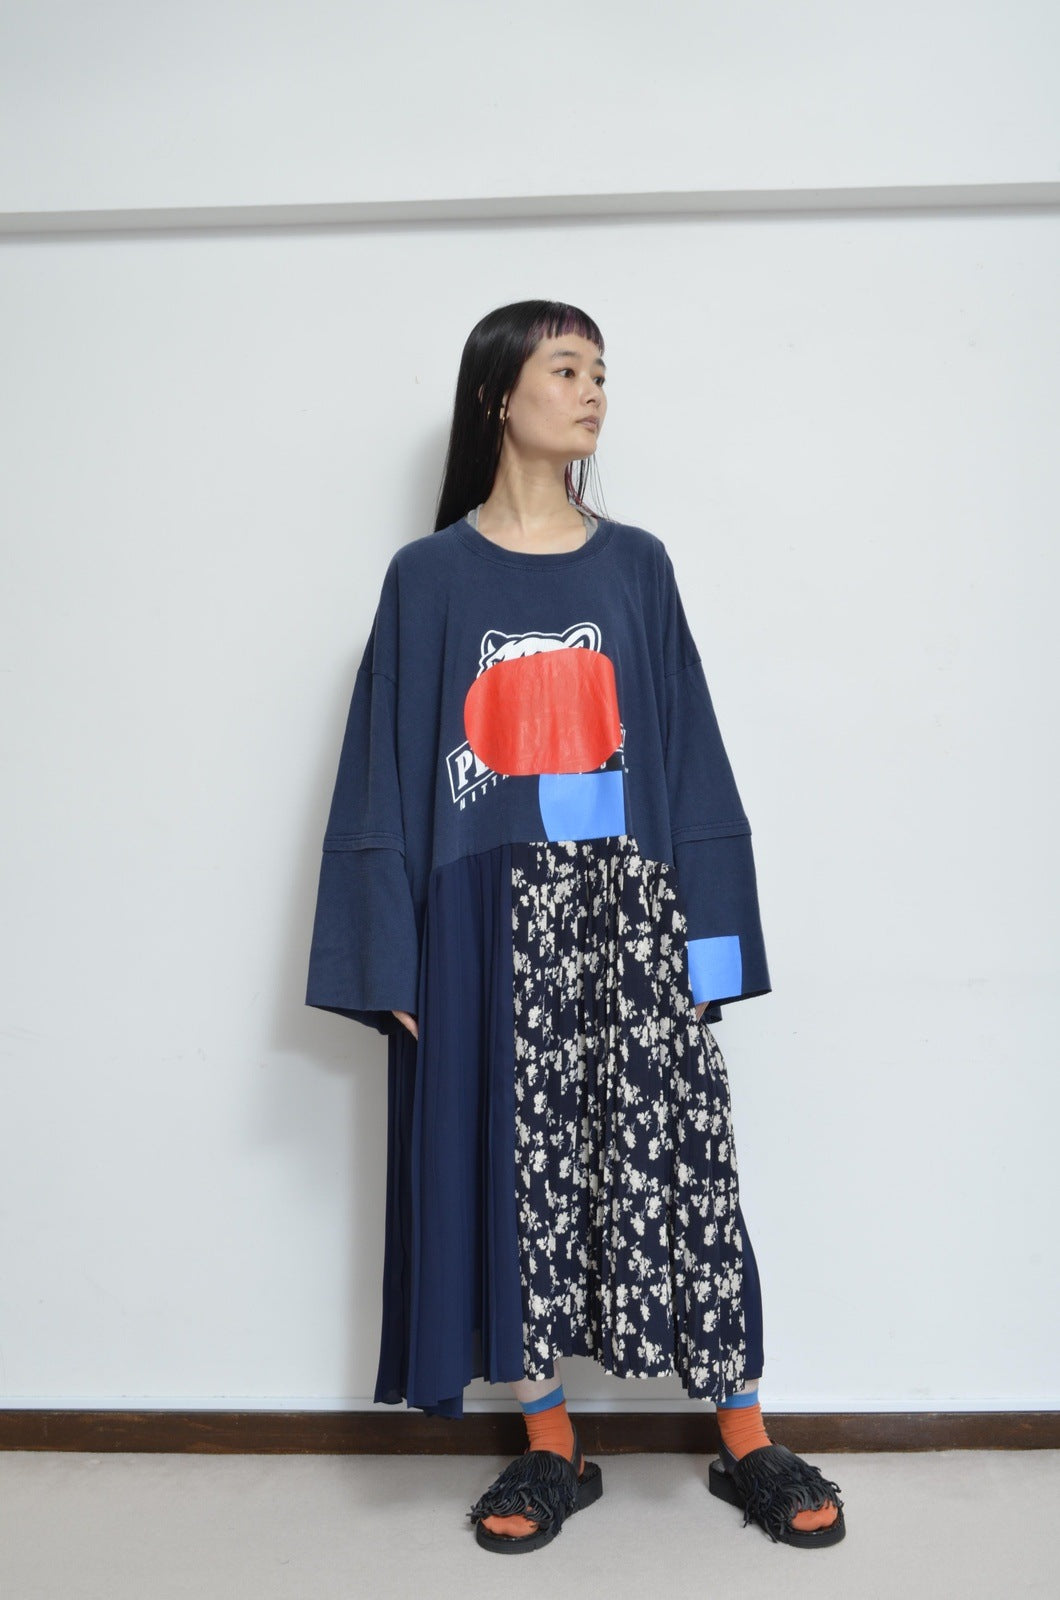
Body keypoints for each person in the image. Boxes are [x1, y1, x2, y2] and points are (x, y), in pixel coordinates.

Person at [305, 299, 845, 1552]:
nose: (594, 389)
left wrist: (710, 946)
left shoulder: (635, 565)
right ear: (499, 394)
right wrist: (392, 960)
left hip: (628, 913)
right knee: (511, 1182)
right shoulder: (428, 577)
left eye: (602, 370)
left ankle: (746, 1439)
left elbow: (688, 755)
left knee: (683, 1166)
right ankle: (551, 1445)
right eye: (566, 367)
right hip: (479, 925)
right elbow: (380, 775)